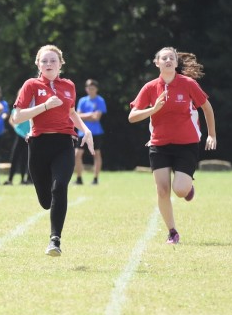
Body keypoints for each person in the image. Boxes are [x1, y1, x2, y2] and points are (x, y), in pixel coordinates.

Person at [12, 44, 94, 256]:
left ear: (60, 64)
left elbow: (71, 111)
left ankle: (54, 240)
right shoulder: (31, 85)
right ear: (38, 64)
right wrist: (45, 106)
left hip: (64, 143)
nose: (48, 64)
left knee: (59, 188)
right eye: (44, 61)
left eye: (53, 61)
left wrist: (85, 130)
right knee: (46, 201)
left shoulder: (69, 85)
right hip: (38, 145)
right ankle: (51, 215)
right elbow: (17, 117)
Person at [128, 47, 216, 245]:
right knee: (162, 190)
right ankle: (172, 232)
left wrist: (211, 134)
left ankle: (188, 187)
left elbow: (206, 107)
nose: (167, 60)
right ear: (156, 63)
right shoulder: (150, 87)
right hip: (159, 144)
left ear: (176, 63)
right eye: (163, 58)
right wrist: (154, 109)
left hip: (186, 144)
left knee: (180, 190)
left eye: (171, 58)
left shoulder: (188, 84)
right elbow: (132, 117)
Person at [74, 78, 107, 185]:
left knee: (96, 154)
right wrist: (89, 115)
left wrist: (84, 116)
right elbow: (77, 116)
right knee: (77, 154)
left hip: (96, 132)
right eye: (88, 88)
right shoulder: (82, 100)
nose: (90, 90)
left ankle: (95, 178)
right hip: (82, 132)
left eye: (92, 88)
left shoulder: (100, 100)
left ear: (96, 89)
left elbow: (96, 118)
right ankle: (79, 178)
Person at [3, 110, 32, 185]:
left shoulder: (32, 106)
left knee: (26, 158)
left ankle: (25, 179)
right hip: (19, 135)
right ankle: (10, 179)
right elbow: (11, 120)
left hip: (29, 135)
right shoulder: (17, 108)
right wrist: (17, 129)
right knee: (14, 158)